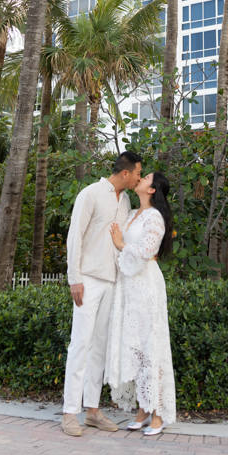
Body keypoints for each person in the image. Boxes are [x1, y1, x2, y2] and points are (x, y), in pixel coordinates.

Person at [62, 151, 142, 438]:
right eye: (137, 173)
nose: (138, 178)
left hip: (112, 281)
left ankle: (92, 410)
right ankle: (70, 412)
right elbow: (75, 236)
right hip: (88, 280)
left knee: (100, 348)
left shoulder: (126, 200)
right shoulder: (91, 193)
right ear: (125, 173)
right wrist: (75, 279)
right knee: (80, 344)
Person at [105, 171, 176, 436]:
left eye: (145, 177)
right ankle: (143, 409)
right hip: (128, 287)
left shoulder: (154, 217)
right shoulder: (133, 212)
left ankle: (158, 413)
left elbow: (147, 251)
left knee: (150, 347)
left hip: (146, 285)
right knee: (135, 348)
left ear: (152, 190)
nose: (140, 178)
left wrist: (121, 244)